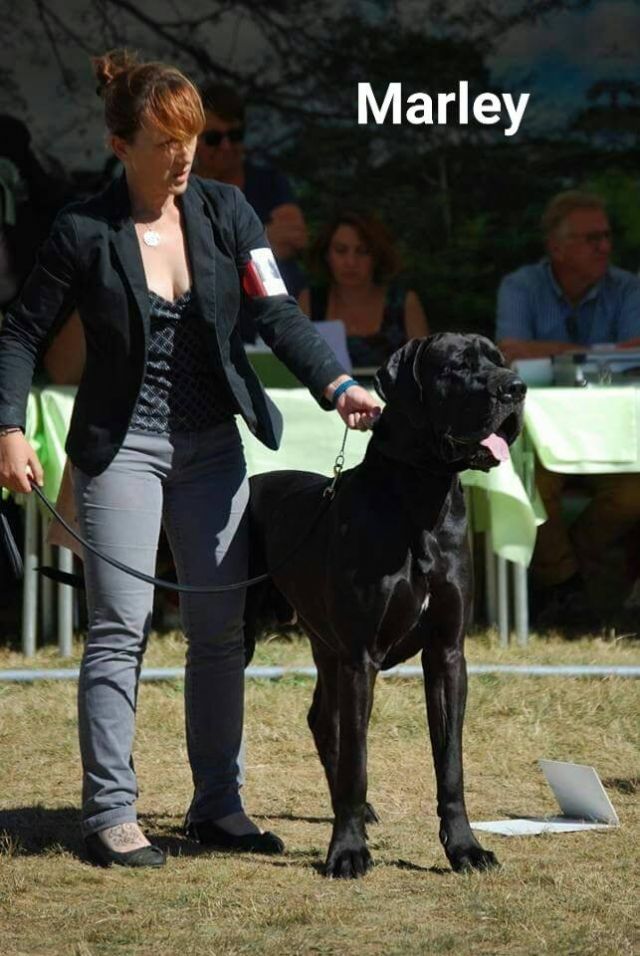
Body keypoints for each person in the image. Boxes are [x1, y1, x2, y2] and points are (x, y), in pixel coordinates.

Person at [0, 50, 380, 869]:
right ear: (120, 145)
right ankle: (110, 814)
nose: (183, 156)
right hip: (121, 447)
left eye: (192, 138)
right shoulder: (83, 229)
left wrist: (338, 383)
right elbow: (22, 332)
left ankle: (217, 805)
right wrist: (9, 428)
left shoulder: (226, 211)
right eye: (165, 140)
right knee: (121, 626)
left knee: (219, 630)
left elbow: (277, 315)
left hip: (213, 446)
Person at [496, 190, 640, 625]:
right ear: (556, 247)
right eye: (592, 238)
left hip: (614, 437)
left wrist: (553, 352)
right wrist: (603, 353)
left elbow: (637, 351)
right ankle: (568, 588)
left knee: (634, 492)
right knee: (531, 482)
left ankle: (564, 579)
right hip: (543, 434)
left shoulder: (628, 287)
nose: (605, 246)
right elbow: (511, 353)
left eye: (607, 236)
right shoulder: (521, 286)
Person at [193, 83, 308, 316]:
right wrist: (263, 241)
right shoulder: (182, 191)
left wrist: (223, 252)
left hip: (279, 317)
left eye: (235, 135)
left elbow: (295, 239)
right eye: (213, 138)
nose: (226, 146)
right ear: (192, 140)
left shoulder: (269, 182)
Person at [298, 211, 429, 370]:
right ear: (326, 255)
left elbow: (425, 371)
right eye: (341, 250)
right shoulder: (310, 302)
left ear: (377, 256)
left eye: (362, 251)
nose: (351, 262)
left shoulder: (403, 303)